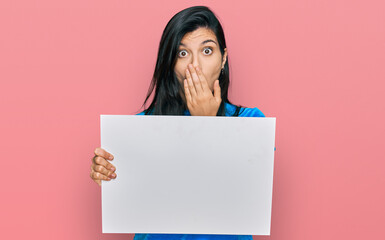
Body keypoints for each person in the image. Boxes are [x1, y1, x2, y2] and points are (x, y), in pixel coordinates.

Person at [90, 5, 268, 240]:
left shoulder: (252, 122)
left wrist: (207, 124)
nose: (195, 65)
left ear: (223, 59)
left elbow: (245, 198)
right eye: (182, 54)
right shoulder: (139, 129)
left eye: (207, 51)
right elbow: (136, 200)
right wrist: (108, 176)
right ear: (170, 63)